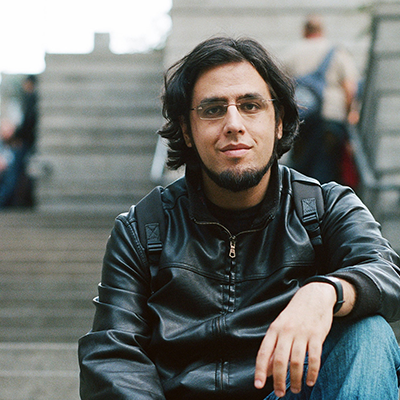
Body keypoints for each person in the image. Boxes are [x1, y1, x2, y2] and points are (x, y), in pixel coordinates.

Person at [78, 37, 400, 399]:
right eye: (213, 109)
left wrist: (326, 292)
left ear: (279, 121)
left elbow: (388, 273)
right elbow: (111, 354)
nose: (233, 123)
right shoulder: (142, 229)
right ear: (187, 130)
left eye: (250, 105)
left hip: (288, 392)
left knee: (367, 333)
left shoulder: (326, 207)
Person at [285, 15, 360, 184]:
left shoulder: (292, 51)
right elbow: (350, 87)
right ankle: (322, 207)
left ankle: (301, 206)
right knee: (326, 168)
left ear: (304, 31)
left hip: (302, 119)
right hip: (330, 118)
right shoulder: (337, 52)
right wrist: (351, 113)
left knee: (302, 168)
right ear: (322, 31)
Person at [0, 75, 38, 208]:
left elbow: (28, 123)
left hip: (23, 142)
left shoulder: (31, 99)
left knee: (14, 176)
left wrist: (17, 136)